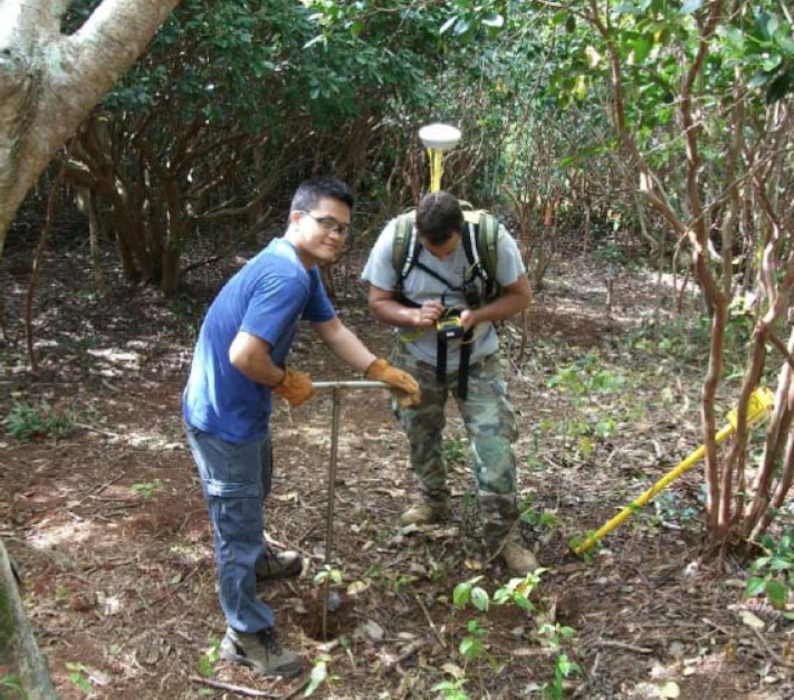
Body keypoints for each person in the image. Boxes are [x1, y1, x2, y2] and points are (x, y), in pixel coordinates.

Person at [183, 176, 420, 678]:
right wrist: (285, 379)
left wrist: (378, 369)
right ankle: (243, 634)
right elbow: (245, 354)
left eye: (344, 229)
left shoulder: (300, 267)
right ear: (297, 219)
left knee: (256, 489)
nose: (336, 235)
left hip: (240, 411)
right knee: (237, 524)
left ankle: (258, 560)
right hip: (223, 419)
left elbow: (332, 330)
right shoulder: (286, 275)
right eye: (326, 223)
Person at [361, 190, 538, 576]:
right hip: (418, 357)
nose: (441, 256)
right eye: (432, 248)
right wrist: (412, 315)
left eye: (448, 249)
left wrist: (477, 315)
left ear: (461, 230)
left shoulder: (490, 238)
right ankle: (433, 499)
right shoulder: (397, 238)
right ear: (418, 231)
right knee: (420, 431)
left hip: (478, 357)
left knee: (494, 444)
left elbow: (521, 296)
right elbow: (378, 301)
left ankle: (504, 535)